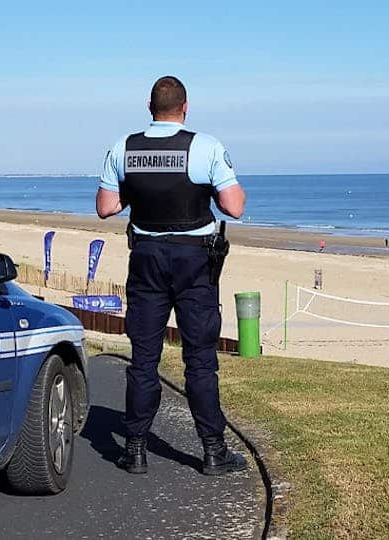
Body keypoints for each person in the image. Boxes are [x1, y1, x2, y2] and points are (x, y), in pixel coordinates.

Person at [95, 76, 248, 476]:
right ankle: (213, 452)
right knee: (200, 360)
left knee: (143, 359)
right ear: (185, 108)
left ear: (150, 107)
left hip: (146, 257)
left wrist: (138, 193)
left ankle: (135, 450)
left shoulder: (123, 147)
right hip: (193, 262)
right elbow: (234, 208)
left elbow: (106, 207)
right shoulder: (205, 146)